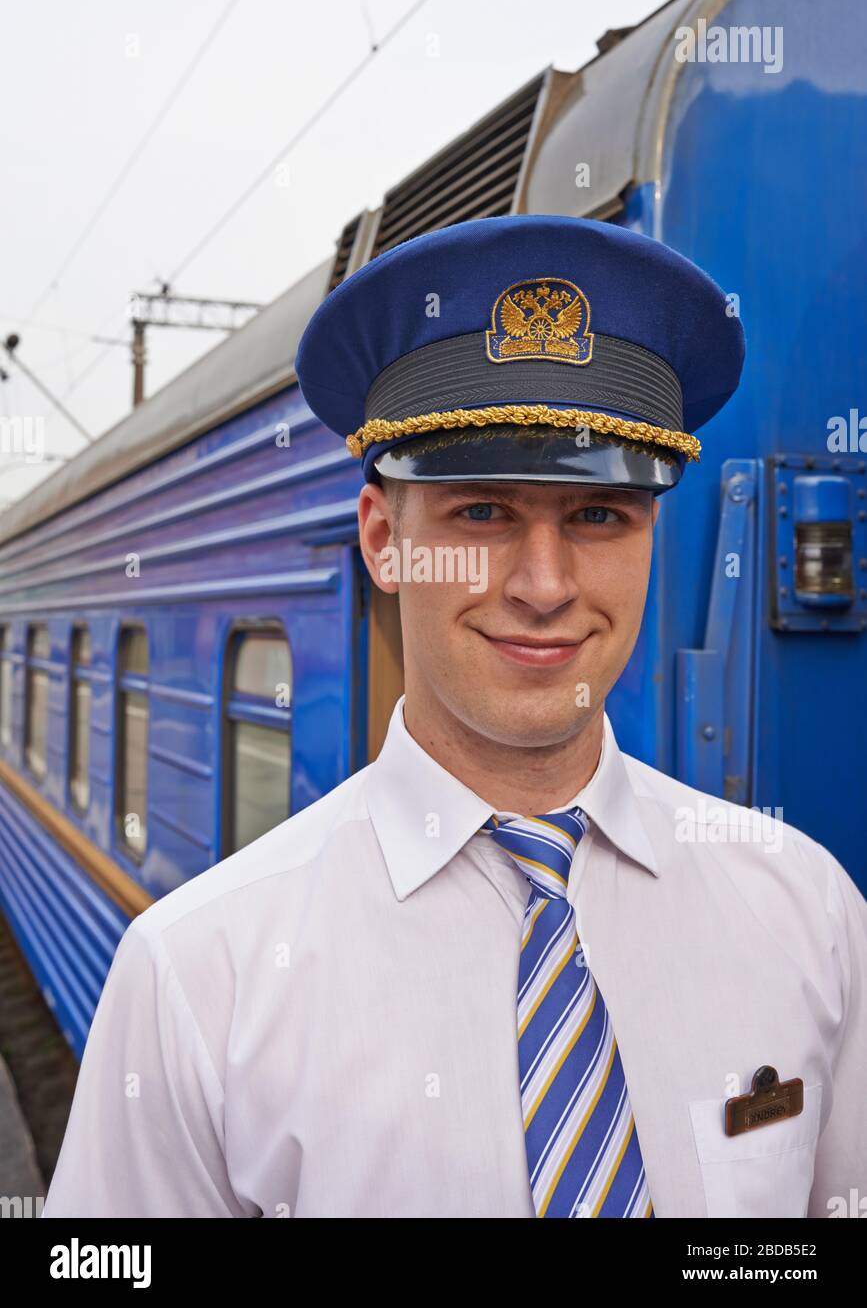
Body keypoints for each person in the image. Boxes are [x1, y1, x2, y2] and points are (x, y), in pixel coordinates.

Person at [42, 215, 867, 1219]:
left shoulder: (813, 919)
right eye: (482, 512)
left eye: (598, 515)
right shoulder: (192, 980)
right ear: (384, 540)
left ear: (652, 530)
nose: (545, 584)